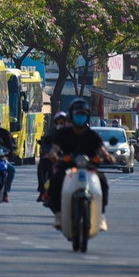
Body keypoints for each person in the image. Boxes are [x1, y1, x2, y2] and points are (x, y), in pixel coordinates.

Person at [44, 99, 113, 231]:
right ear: (72, 115)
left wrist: (108, 157)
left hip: (89, 167)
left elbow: (101, 150)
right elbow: (55, 149)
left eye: (83, 114)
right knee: (55, 182)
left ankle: (101, 215)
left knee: (102, 182)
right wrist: (53, 155)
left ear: (87, 116)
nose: (80, 117)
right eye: (77, 114)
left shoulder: (92, 135)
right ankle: (59, 214)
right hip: (68, 167)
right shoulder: (63, 134)